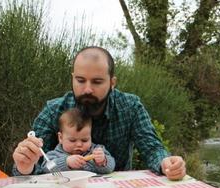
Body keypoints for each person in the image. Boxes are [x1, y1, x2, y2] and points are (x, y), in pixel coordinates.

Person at [12, 46, 186, 180]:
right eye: (80, 80)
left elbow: (152, 148)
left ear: (112, 82)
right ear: (72, 78)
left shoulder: (130, 107)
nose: (87, 89)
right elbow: (34, 166)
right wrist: (24, 165)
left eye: (97, 82)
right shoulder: (53, 110)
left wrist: (166, 163)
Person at [43, 108, 115, 174]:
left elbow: (111, 167)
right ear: (61, 138)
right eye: (72, 140)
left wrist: (103, 161)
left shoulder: (96, 150)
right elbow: (45, 168)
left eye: (85, 140)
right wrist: (66, 163)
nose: (79, 144)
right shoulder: (54, 155)